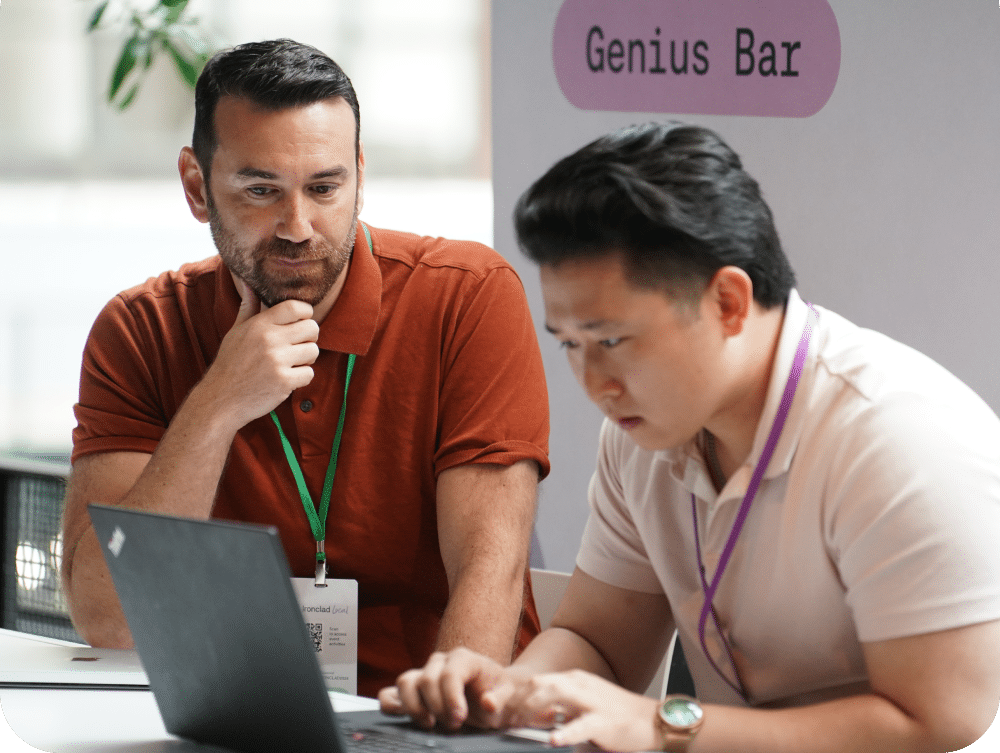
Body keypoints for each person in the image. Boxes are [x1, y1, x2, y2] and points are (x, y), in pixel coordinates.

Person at [380, 122, 1000, 751]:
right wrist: (503, 693)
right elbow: (600, 642)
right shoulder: (642, 432)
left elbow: (935, 722)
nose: (595, 382)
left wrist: (661, 725)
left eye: (612, 341)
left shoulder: (898, 437)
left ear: (728, 301)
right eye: (569, 344)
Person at [61, 39, 550, 697]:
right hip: (239, 715)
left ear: (359, 174)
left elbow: (489, 569)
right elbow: (107, 618)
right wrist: (218, 405)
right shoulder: (140, 328)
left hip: (431, 717)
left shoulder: (466, 295)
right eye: (261, 190)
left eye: (324, 187)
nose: (298, 226)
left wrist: (441, 733)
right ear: (196, 186)